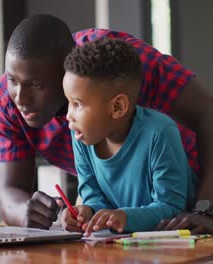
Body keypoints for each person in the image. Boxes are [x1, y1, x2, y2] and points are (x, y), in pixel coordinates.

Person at [0, 14, 213, 234]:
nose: (19, 99)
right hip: (117, 216)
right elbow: (9, 192)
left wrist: (205, 209)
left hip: (190, 201)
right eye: (12, 79)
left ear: (64, 74)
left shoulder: (118, 68)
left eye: (36, 85)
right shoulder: (11, 99)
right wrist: (27, 213)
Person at [59, 38, 196, 235]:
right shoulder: (81, 136)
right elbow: (94, 197)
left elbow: (172, 207)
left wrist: (124, 216)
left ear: (117, 107)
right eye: (68, 102)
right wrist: (86, 212)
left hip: (183, 240)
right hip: (128, 243)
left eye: (77, 104)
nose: (68, 115)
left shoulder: (159, 132)